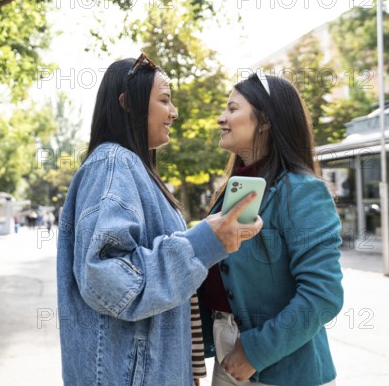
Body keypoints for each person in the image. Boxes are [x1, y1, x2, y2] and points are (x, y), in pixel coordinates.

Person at [56, 53, 264, 386]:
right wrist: (204, 242)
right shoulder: (113, 163)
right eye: (164, 100)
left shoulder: (132, 168)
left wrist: (188, 365)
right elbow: (106, 279)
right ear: (128, 103)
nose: (174, 111)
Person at [197, 72, 344, 386]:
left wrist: (255, 352)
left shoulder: (302, 191)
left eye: (232, 109)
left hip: (281, 366)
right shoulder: (233, 191)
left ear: (264, 120)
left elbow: (324, 296)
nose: (221, 118)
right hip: (229, 353)